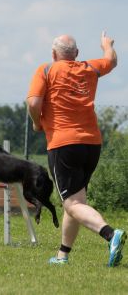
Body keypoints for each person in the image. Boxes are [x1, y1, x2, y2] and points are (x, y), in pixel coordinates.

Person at [27, 32, 126, 267]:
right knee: (75, 201)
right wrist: (106, 45)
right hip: (92, 143)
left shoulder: (46, 70)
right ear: (77, 54)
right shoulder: (89, 68)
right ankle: (62, 255)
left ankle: (111, 235)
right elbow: (111, 61)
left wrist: (36, 122)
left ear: (53, 54)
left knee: (72, 204)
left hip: (64, 143)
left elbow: (32, 102)